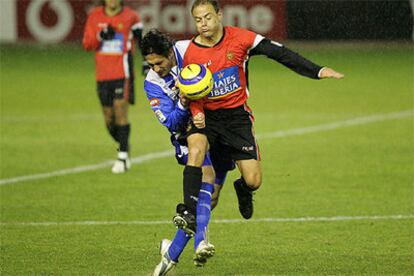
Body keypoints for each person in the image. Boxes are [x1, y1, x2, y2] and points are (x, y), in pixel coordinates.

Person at [182, 0, 344, 220]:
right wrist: (196, 111)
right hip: (207, 119)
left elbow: (279, 53)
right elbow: (190, 90)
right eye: (198, 20)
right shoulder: (191, 52)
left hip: (236, 118)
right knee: (198, 158)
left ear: (220, 15)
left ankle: (243, 190)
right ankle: (189, 214)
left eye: (208, 17)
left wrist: (317, 71)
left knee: (253, 181)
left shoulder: (241, 39)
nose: (203, 24)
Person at [141, 29, 234, 275]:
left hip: (216, 124)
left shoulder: (187, 50)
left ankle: (169, 255)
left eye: (159, 62)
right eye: (151, 64)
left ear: (170, 53)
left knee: (210, 198)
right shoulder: (152, 83)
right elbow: (171, 122)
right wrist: (183, 101)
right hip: (187, 134)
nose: (156, 68)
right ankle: (200, 242)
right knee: (206, 177)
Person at [83, 0, 148, 173]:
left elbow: (141, 40)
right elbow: (87, 44)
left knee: (120, 111)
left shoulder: (131, 16)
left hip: (123, 74)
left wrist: (146, 61)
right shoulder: (95, 16)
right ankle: (124, 145)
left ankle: (123, 156)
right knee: (109, 121)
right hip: (103, 76)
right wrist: (100, 36)